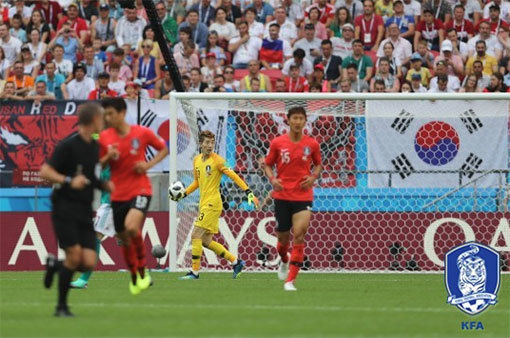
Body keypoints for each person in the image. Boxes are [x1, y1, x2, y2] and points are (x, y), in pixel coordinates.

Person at [40, 102, 113, 317]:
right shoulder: (68, 146)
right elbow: (45, 172)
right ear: (93, 120)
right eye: (101, 118)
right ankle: (61, 306)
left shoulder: (94, 148)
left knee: (88, 262)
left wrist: (103, 185)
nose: (104, 122)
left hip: (84, 209)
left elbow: (92, 177)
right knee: (73, 257)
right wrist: (69, 179)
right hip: (65, 208)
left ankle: (55, 265)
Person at [99, 97, 168, 295]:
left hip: (140, 189)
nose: (108, 117)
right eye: (105, 114)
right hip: (117, 194)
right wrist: (107, 157)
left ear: (121, 113)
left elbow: (164, 148)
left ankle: (144, 270)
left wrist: (147, 165)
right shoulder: (105, 137)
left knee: (130, 227)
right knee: (123, 237)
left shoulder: (142, 132)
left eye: (111, 113)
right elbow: (99, 165)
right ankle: (136, 274)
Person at [171, 130, 259, 280]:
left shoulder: (218, 160)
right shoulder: (197, 160)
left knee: (195, 235)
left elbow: (234, 176)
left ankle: (194, 272)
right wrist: (183, 194)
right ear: (201, 144)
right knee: (205, 241)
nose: (210, 145)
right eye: (207, 142)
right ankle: (236, 262)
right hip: (204, 203)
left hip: (213, 203)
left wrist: (248, 192)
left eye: (212, 142)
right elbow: (197, 182)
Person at [263, 107, 322, 291]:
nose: (297, 122)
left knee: (300, 233)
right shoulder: (277, 143)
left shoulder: (312, 144)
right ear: (288, 120)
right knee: (282, 240)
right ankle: (284, 259)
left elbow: (319, 164)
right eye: (294, 118)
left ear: (305, 121)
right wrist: (273, 180)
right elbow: (267, 165)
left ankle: (290, 281)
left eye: (301, 118)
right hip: (282, 195)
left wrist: (313, 177)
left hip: (303, 195)